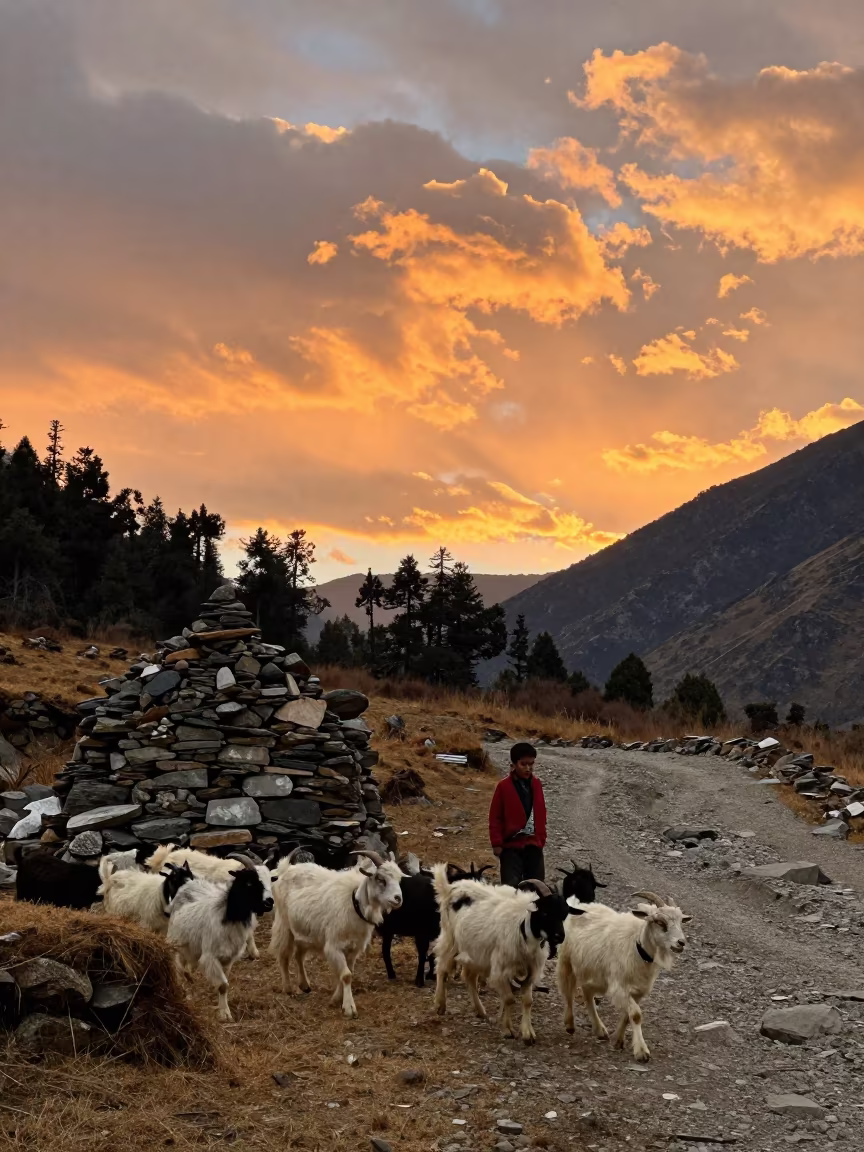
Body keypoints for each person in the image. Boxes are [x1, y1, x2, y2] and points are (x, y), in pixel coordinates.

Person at [489, 741, 547, 887]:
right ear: (514, 764)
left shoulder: (536, 784)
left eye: (531, 764)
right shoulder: (503, 786)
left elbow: (541, 812)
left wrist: (541, 837)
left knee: (537, 887)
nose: (528, 768)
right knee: (510, 888)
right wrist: (497, 843)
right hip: (511, 846)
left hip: (533, 844)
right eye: (523, 764)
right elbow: (495, 817)